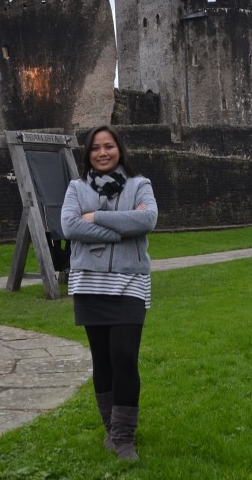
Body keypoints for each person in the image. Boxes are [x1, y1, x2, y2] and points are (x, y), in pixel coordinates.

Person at [61, 125, 158, 461]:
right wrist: (121, 230)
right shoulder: (76, 187)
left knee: (124, 358)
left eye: (109, 146)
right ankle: (112, 433)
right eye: (95, 148)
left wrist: (98, 217)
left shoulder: (139, 185)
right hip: (89, 282)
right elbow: (70, 226)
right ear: (88, 154)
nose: (102, 153)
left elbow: (147, 222)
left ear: (120, 150)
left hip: (130, 281)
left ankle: (125, 438)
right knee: (102, 361)